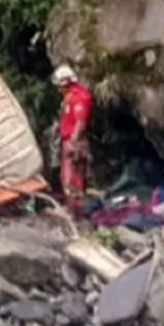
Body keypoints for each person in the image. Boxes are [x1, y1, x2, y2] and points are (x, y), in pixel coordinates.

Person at [54, 64, 93, 214]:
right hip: (68, 139)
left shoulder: (78, 97)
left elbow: (80, 122)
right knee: (68, 176)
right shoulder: (70, 96)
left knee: (72, 178)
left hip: (74, 141)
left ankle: (76, 210)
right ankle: (73, 207)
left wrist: (73, 142)